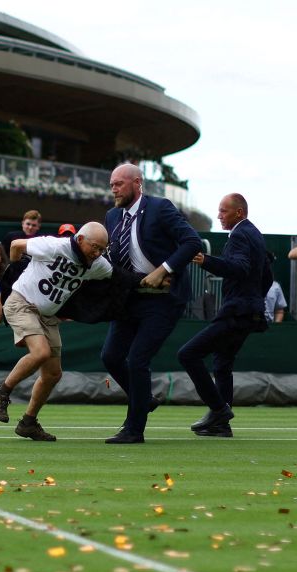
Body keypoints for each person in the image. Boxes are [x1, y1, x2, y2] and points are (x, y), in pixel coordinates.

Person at [98, 164, 203, 444]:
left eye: (119, 183)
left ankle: (134, 430)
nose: (114, 189)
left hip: (163, 300)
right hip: (129, 297)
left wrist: (163, 270)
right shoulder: (111, 216)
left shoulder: (160, 208)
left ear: (137, 183)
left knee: (137, 360)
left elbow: (193, 242)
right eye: (111, 184)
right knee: (110, 356)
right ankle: (144, 398)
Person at [0, 223, 113, 442]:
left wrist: (153, 279)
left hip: (47, 315)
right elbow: (17, 244)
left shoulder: (97, 264)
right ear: (80, 239)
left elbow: (118, 276)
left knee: (53, 373)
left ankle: (28, 422)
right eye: (95, 247)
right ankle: (1, 393)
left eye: (102, 249)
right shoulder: (54, 245)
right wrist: (16, 270)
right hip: (22, 303)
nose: (98, 253)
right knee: (41, 353)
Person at [177, 194, 271, 438]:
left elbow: (239, 269)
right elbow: (267, 276)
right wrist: (254, 298)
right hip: (249, 311)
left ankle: (219, 411)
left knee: (188, 354)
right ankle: (221, 425)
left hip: (237, 311)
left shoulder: (240, 235)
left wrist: (205, 260)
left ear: (239, 213)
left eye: (223, 211)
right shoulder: (254, 234)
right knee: (222, 364)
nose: (218, 215)